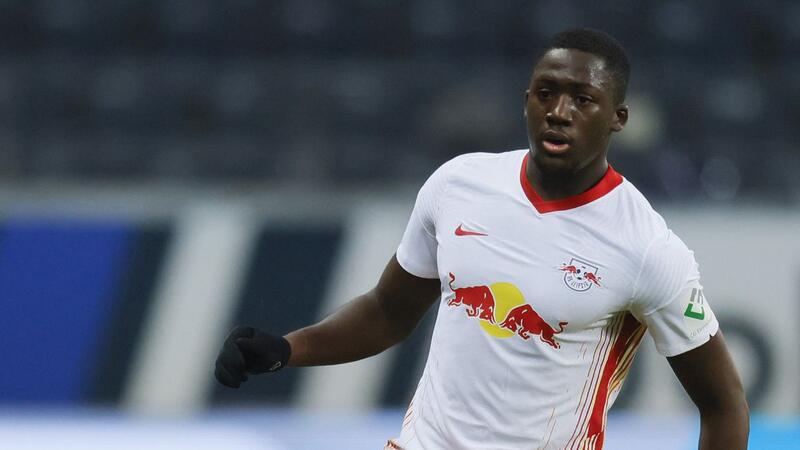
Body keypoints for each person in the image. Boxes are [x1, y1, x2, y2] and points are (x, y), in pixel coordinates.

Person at [214, 28, 749, 449]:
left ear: (618, 118)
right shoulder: (458, 185)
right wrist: (287, 349)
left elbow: (724, 406)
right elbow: (387, 312)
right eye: (546, 94)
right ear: (526, 100)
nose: (559, 112)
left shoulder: (647, 247)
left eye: (583, 100)